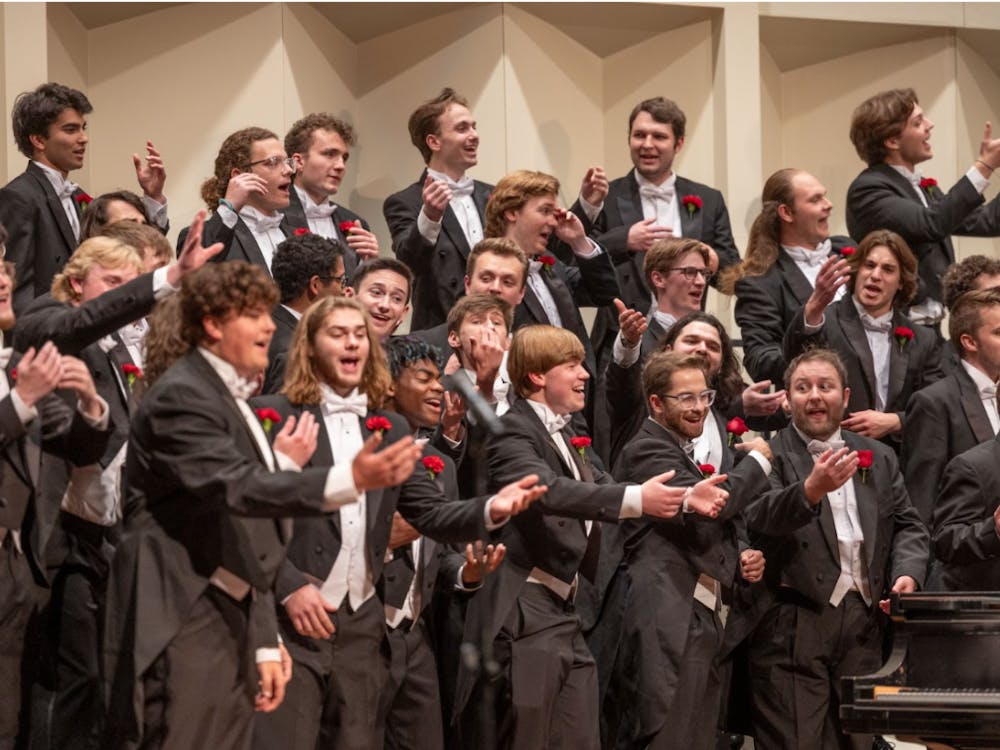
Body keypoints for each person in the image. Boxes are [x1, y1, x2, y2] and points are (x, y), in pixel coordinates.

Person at [103, 259, 446, 750]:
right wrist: (343, 478)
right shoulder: (183, 396)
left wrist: (262, 636)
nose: (270, 325)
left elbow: (249, 537)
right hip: (179, 617)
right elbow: (236, 495)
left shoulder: (224, 400)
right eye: (255, 315)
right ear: (213, 324)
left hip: (228, 618)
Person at [250, 295, 544, 750]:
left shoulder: (390, 426)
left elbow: (429, 512)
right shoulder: (271, 415)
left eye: (359, 335)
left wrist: (491, 508)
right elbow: (245, 519)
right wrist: (289, 586)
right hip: (292, 619)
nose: (352, 343)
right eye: (337, 333)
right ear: (308, 348)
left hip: (361, 627)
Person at [453, 324, 728, 750]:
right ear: (537, 376)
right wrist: (639, 498)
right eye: (572, 365)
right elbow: (547, 490)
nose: (586, 374)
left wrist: (687, 499)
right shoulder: (511, 430)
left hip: (567, 612)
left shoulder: (562, 432)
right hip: (524, 609)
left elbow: (604, 485)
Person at [741, 348, 928, 750]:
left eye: (825, 387)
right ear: (787, 399)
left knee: (859, 743)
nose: (814, 396)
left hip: (863, 624)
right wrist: (809, 490)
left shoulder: (879, 455)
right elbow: (756, 517)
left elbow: (909, 524)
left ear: (845, 397)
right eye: (803, 388)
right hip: (792, 621)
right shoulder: (768, 453)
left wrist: (907, 573)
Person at [607, 351, 771, 750]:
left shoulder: (676, 449)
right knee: (672, 734)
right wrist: (759, 461)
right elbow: (715, 506)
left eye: (704, 397)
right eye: (685, 398)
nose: (698, 407)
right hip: (668, 616)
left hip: (696, 614)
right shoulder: (647, 450)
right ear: (656, 403)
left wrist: (743, 554)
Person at [0, 232, 112, 749]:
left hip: (18, 564)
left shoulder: (11, 357)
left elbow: (67, 439)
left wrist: (92, 409)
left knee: (14, 715)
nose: (5, 278)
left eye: (4, 264)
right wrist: (20, 400)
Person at [380, 335, 504, 750]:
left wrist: (467, 574)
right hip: (365, 628)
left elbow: (442, 556)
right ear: (386, 384)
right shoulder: (363, 450)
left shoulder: (443, 466)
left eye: (440, 379)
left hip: (417, 637)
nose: (439, 388)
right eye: (424, 378)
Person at [574, 96, 739, 381]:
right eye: (639, 135)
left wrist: (704, 256)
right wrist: (624, 239)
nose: (647, 144)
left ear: (679, 143)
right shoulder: (606, 195)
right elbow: (577, 263)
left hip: (689, 343)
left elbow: (732, 275)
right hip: (619, 343)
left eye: (659, 136)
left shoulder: (708, 199)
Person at [0, 83, 168, 315]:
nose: (84, 138)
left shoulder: (79, 196)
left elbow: (133, 254)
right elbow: (18, 293)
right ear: (38, 140)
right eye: (71, 130)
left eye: (83, 128)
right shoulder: (20, 197)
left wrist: (153, 196)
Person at [846, 87, 1000, 332]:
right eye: (918, 122)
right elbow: (932, 224)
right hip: (896, 331)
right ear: (892, 140)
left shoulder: (919, 186)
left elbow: (988, 221)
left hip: (932, 329)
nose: (930, 125)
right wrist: (984, 166)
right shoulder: (868, 190)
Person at [485, 169, 620, 443]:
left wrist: (579, 242)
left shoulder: (550, 264)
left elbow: (604, 293)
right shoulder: (489, 272)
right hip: (530, 405)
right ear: (512, 212)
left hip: (575, 397)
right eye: (545, 211)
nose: (553, 221)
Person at [784, 229, 944, 446]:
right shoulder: (825, 321)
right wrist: (813, 308)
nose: (875, 275)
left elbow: (934, 405)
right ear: (856, 271)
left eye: (888, 269)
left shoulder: (923, 339)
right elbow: (792, 361)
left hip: (899, 460)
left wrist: (896, 421)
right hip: (833, 450)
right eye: (869, 265)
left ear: (900, 282)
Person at [722, 168, 855, 385]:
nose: (829, 204)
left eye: (825, 195)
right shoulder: (760, 283)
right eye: (815, 200)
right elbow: (761, 362)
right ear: (787, 213)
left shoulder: (847, 250)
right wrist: (810, 317)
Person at [384, 88, 492, 330]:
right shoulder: (404, 201)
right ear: (433, 141)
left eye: (474, 127)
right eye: (462, 128)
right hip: (440, 331)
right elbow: (409, 264)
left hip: (498, 327)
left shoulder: (492, 195)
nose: (474, 135)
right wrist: (430, 217)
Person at [902, 289, 1000, 531]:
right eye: (999, 333)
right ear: (969, 342)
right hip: (971, 560)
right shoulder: (933, 403)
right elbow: (922, 506)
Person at [283, 113, 379, 279]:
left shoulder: (355, 224)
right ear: (298, 162)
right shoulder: (273, 216)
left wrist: (369, 264)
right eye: (329, 154)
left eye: (344, 158)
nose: (341, 166)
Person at [194, 126, 294, 273]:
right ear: (239, 176)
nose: (289, 170)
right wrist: (230, 207)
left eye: (286, 162)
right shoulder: (203, 237)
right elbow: (200, 274)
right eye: (273, 162)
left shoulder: (294, 233)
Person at [409, 237, 527, 357]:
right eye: (486, 279)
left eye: (507, 282)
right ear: (467, 285)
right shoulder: (420, 346)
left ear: (521, 293)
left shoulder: (532, 356)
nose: (495, 288)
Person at [264, 231, 346, 393]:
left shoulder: (267, 323)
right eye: (341, 280)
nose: (344, 291)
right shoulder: (293, 351)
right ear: (316, 285)